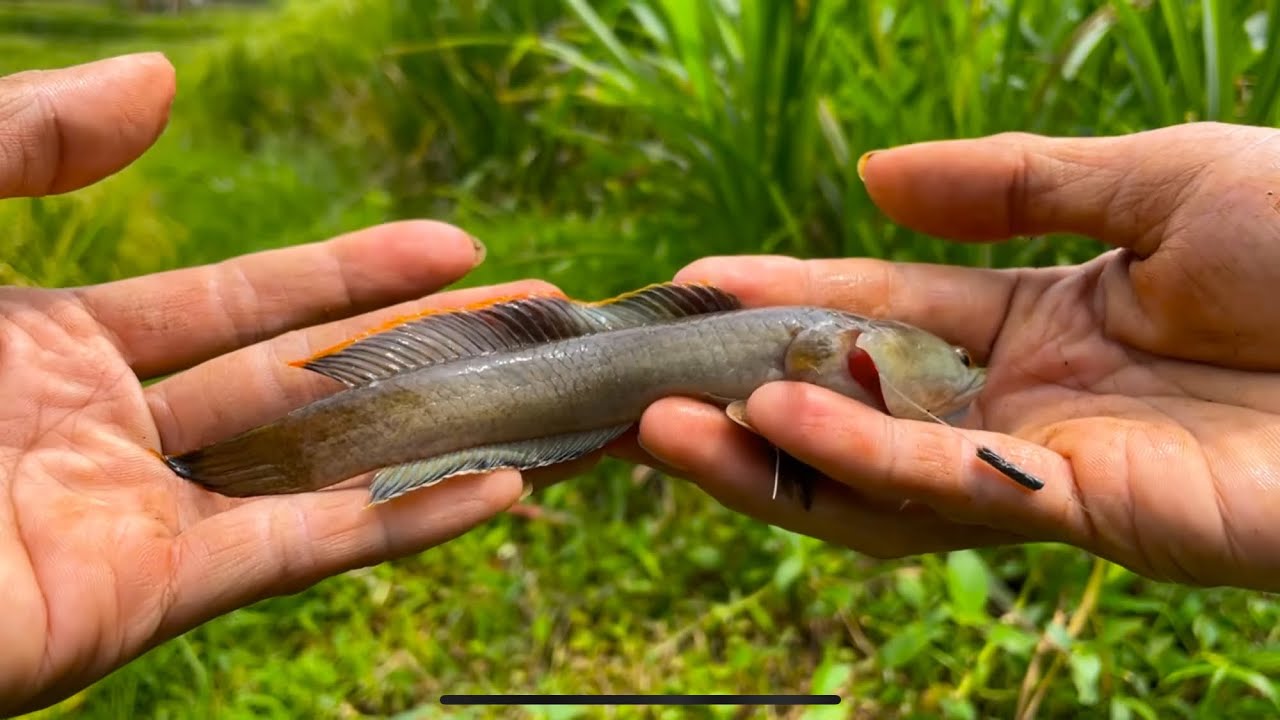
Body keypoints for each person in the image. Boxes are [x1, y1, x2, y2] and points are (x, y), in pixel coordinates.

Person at [2, 51, 1278, 715]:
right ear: (855, 355)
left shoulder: (815, 350)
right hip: (564, 371)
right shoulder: (813, 342)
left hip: (590, 380)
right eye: (942, 363)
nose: (955, 375)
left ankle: (227, 465)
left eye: (953, 367)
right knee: (443, 406)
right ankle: (235, 461)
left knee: (486, 417)